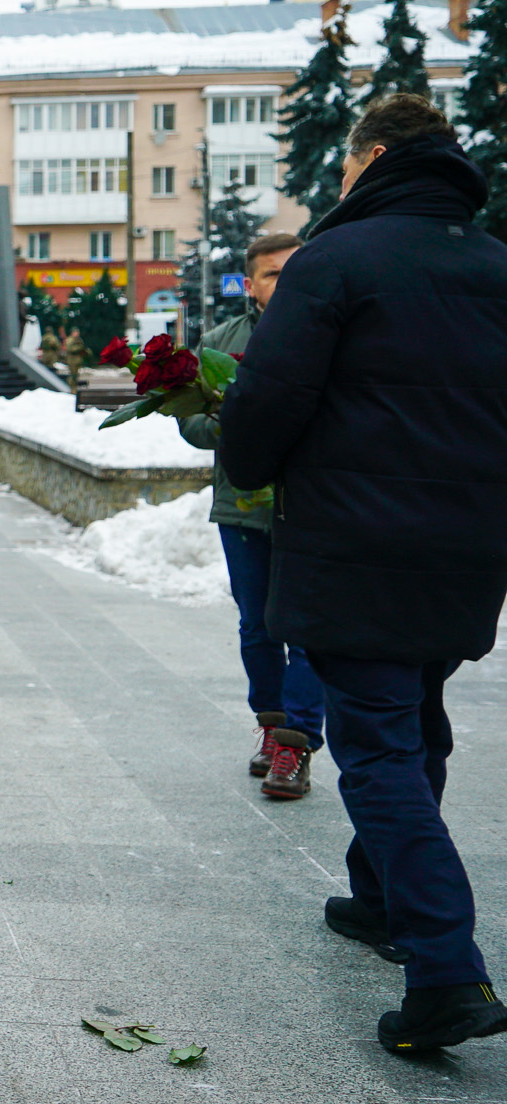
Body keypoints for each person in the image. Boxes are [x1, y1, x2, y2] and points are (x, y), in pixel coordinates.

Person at [221, 94, 507, 1054]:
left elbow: (268, 398)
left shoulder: (336, 261)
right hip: (466, 549)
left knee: (378, 749)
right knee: (415, 716)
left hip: (355, 546)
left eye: (346, 168)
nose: (339, 184)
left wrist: (249, 463)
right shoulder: (496, 264)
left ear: (374, 158)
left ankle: (447, 971)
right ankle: (381, 901)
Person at [175, 232, 320, 800]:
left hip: (312, 506)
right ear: (251, 284)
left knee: (306, 627)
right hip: (242, 504)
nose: (281, 283)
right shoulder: (221, 340)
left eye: (291, 271)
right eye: (271, 274)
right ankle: (270, 727)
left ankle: (296, 743)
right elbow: (189, 418)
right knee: (257, 624)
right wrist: (239, 426)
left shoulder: (329, 336)